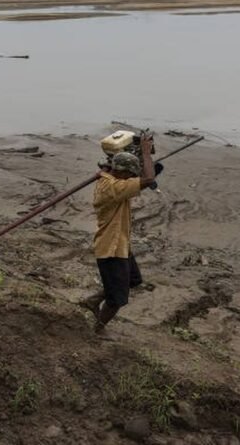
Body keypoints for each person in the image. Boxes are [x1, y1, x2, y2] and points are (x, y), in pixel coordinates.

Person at [89, 135, 156, 332]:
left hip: (120, 245)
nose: (133, 178)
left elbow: (136, 174)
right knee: (117, 300)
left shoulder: (109, 177)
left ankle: (93, 300)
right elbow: (149, 178)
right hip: (110, 250)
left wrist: (140, 153)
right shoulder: (114, 188)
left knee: (133, 280)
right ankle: (97, 330)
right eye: (130, 174)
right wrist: (145, 151)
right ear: (122, 173)